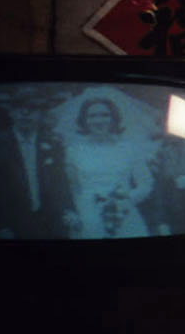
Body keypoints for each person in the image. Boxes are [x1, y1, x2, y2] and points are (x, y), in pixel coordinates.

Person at [63, 93, 158, 239]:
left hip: (124, 214)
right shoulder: (74, 151)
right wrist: (76, 213)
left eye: (105, 115)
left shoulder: (129, 148)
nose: (99, 120)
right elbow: (73, 189)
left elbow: (145, 184)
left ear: (113, 118)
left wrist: (124, 200)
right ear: (84, 120)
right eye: (92, 116)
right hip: (88, 216)